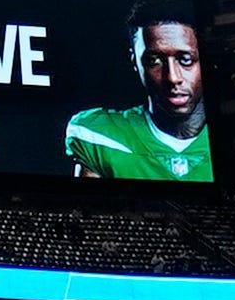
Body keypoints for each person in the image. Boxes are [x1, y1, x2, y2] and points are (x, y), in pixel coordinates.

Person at [65, 17, 219, 183]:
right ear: (135, 62)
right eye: (154, 60)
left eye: (186, 60)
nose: (173, 78)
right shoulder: (98, 133)